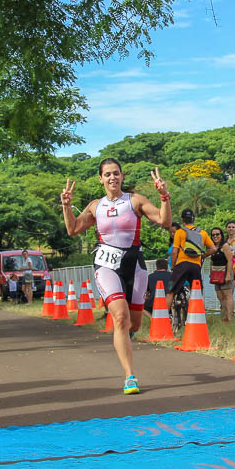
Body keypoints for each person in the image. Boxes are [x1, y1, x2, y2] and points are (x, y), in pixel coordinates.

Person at [61, 159, 171, 395]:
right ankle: (129, 377)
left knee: (135, 322)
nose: (112, 178)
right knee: (119, 317)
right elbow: (72, 230)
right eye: (107, 174)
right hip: (106, 264)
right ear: (100, 179)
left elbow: (164, 221)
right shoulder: (94, 206)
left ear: (122, 177)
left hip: (134, 264)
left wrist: (164, 197)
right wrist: (66, 206)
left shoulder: (135, 201)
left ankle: (126, 337)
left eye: (116, 174)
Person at [208, 227, 235, 322]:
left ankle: (229, 318)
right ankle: (224, 316)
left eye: (217, 234)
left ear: (221, 235)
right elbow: (211, 261)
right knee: (220, 296)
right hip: (216, 274)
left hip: (225, 272)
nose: (215, 236)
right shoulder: (212, 247)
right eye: (213, 235)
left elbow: (229, 260)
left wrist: (228, 274)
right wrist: (210, 272)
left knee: (227, 295)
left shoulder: (225, 246)